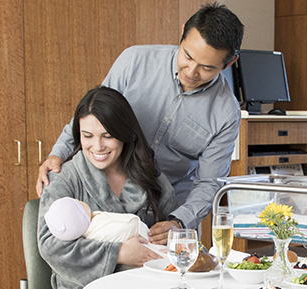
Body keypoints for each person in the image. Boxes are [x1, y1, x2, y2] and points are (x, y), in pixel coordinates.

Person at [36, 2, 245, 245]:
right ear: (182, 34)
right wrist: (58, 153)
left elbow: (209, 182)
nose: (191, 71)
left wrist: (178, 222)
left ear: (229, 64)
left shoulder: (225, 113)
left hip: (167, 212)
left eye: (207, 68)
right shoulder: (135, 61)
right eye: (187, 56)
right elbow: (95, 110)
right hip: (108, 198)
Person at [37, 87, 178, 288]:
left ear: (125, 134)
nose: (98, 146)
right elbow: (50, 246)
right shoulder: (64, 178)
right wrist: (119, 254)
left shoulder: (150, 176)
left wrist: (173, 229)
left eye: (108, 136)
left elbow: (180, 235)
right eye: (88, 136)